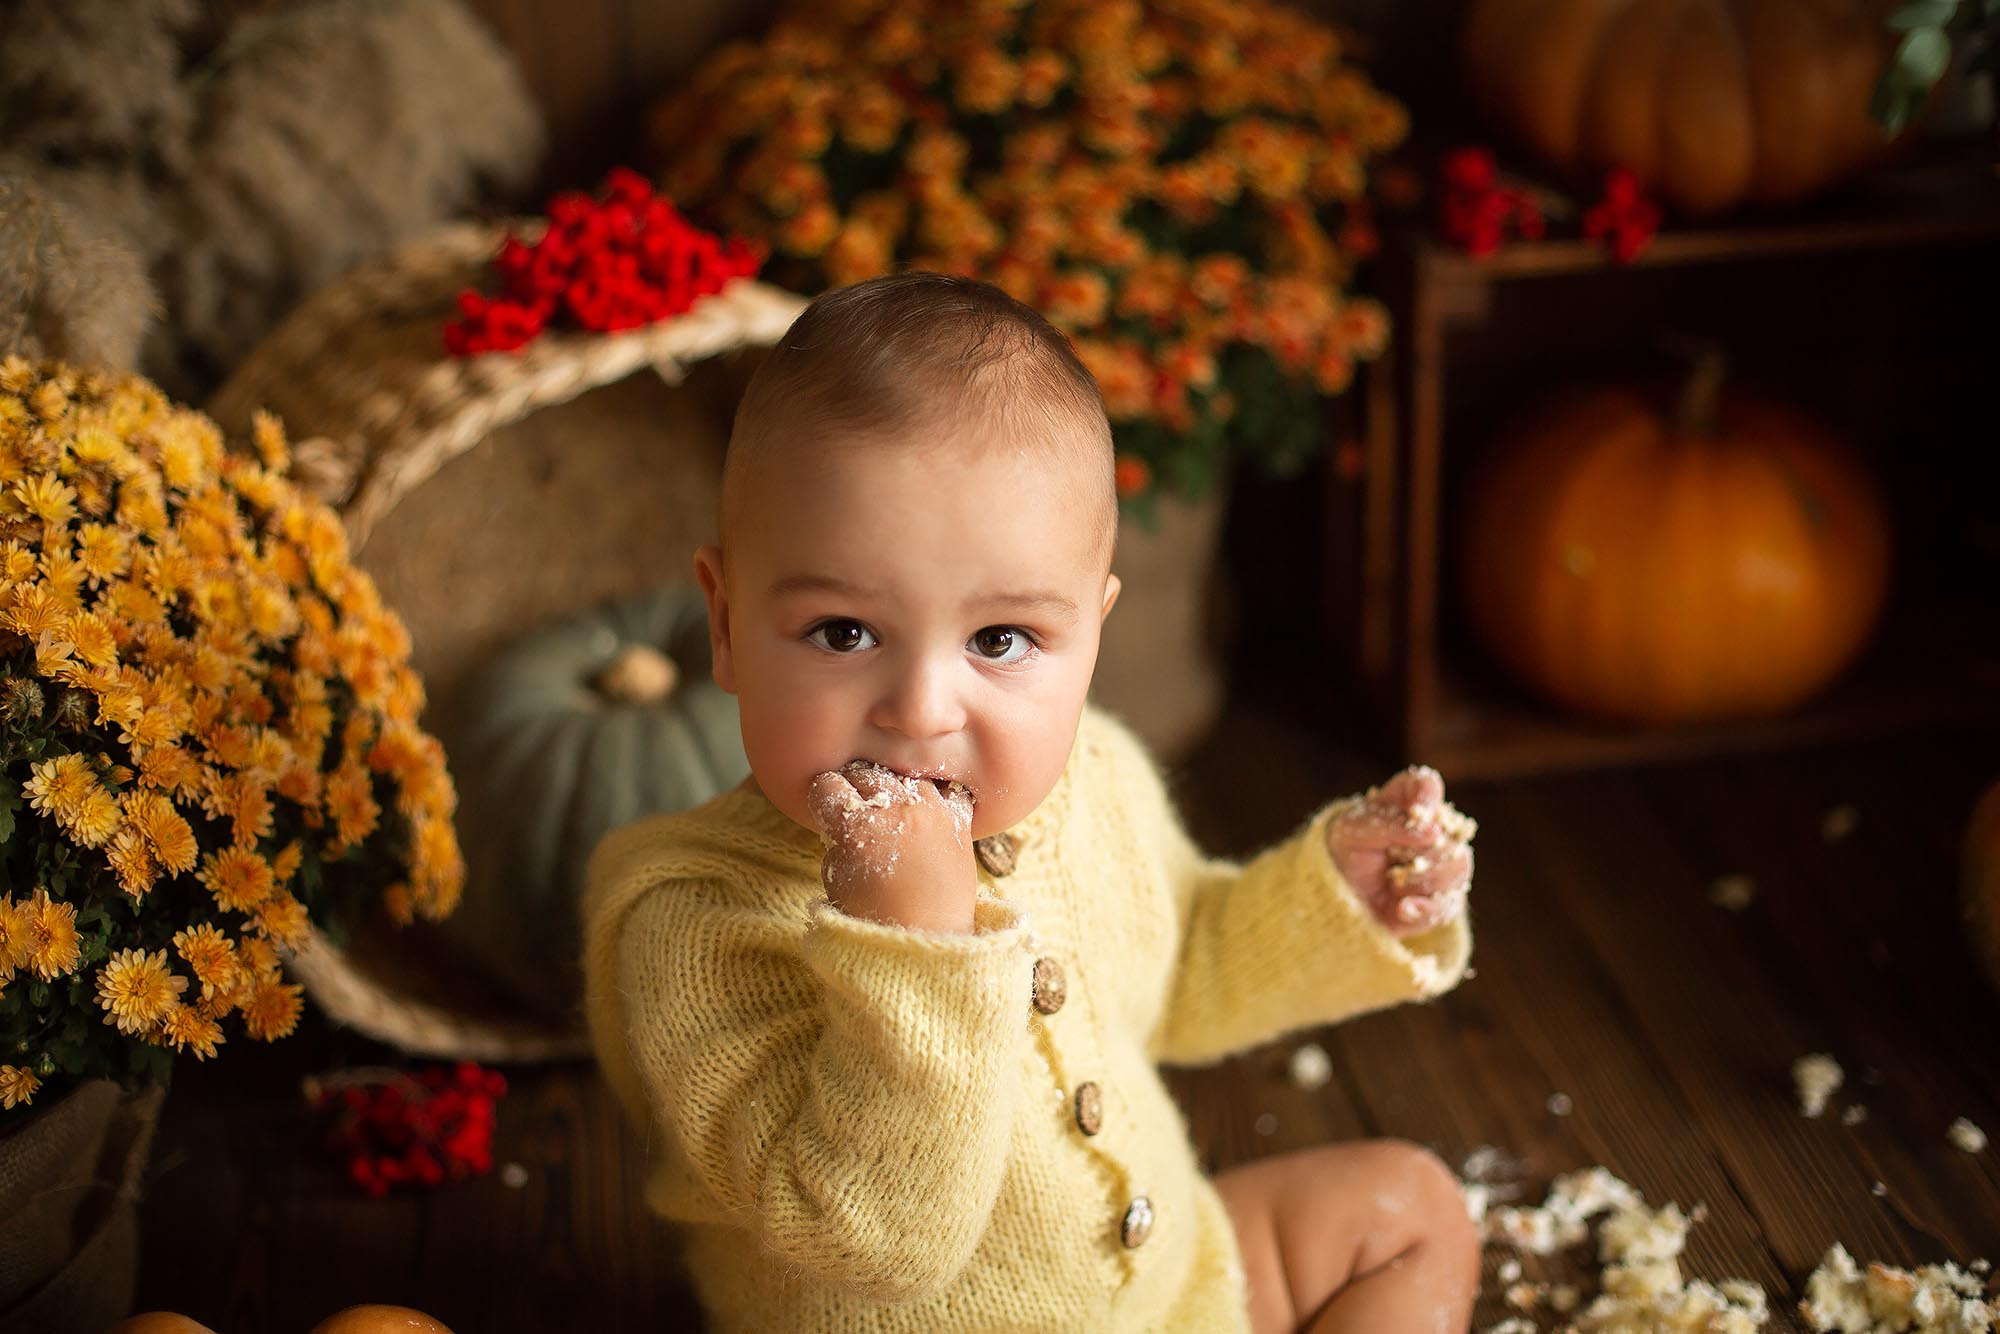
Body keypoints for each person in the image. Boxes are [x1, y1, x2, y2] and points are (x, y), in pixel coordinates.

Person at [581, 271, 1482, 1332]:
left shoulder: (1093, 777)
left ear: (1088, 637)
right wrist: (910, 938)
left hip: (1163, 1293)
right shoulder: (691, 924)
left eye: (998, 639)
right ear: (726, 625)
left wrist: (1330, 895)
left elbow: (1182, 963)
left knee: (1410, 1206)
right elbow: (868, 1238)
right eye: (841, 631)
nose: (917, 711)